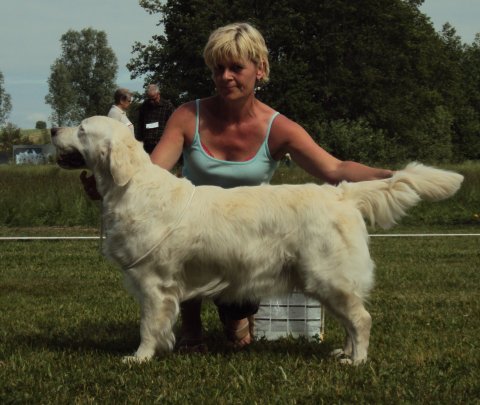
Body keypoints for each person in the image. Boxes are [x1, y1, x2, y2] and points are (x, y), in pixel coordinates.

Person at [148, 22, 394, 351]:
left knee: (238, 338)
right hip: (193, 234)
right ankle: (191, 331)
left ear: (260, 69)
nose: (225, 77)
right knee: (180, 240)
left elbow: (334, 168)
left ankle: (237, 318)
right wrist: (108, 183)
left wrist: (389, 177)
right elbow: (150, 176)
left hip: (246, 240)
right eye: (218, 68)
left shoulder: (278, 127)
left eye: (236, 67)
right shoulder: (186, 115)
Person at [137, 84, 175, 154]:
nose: (151, 101)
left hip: (162, 143)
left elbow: (173, 125)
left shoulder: (167, 106)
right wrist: (139, 141)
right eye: (149, 99)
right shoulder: (144, 106)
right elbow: (140, 124)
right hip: (147, 144)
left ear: (158, 94)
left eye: (153, 99)